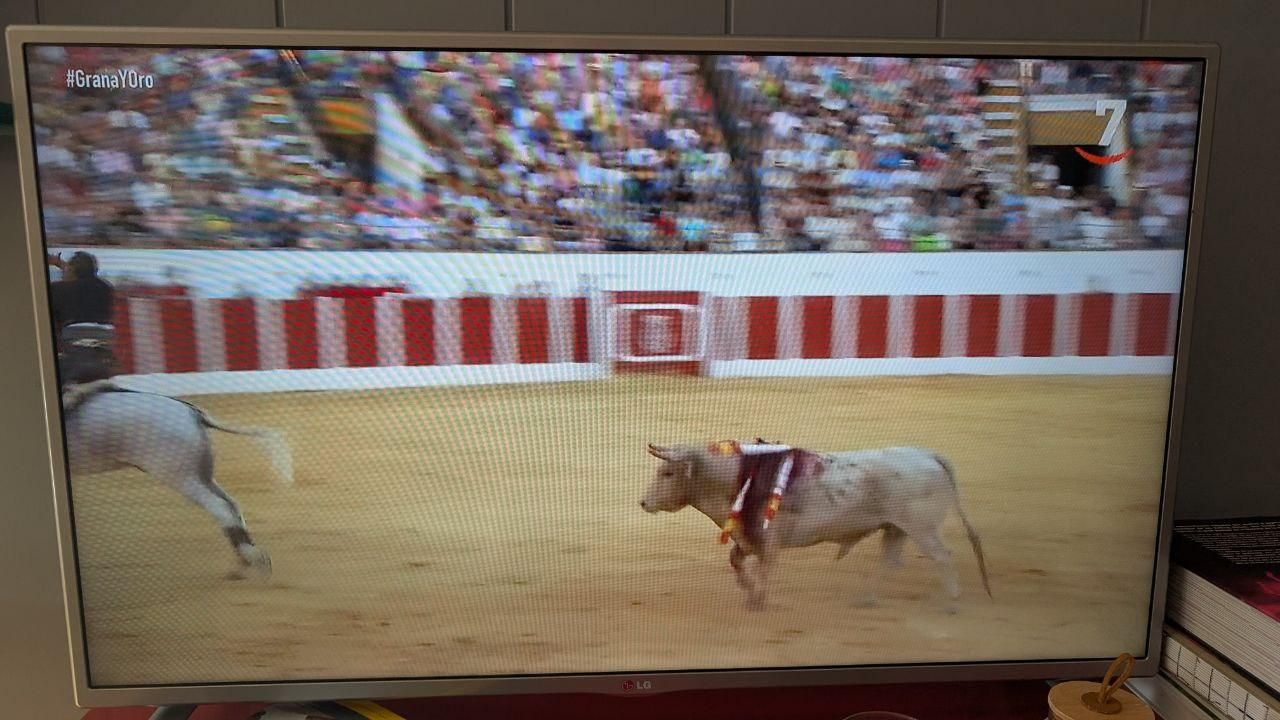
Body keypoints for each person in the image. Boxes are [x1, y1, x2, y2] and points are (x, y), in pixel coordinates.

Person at [47, 251, 117, 386]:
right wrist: (59, 263)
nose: (62, 273)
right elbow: (84, 277)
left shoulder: (56, 290)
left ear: (72, 269)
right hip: (104, 343)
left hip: (76, 343)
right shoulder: (105, 287)